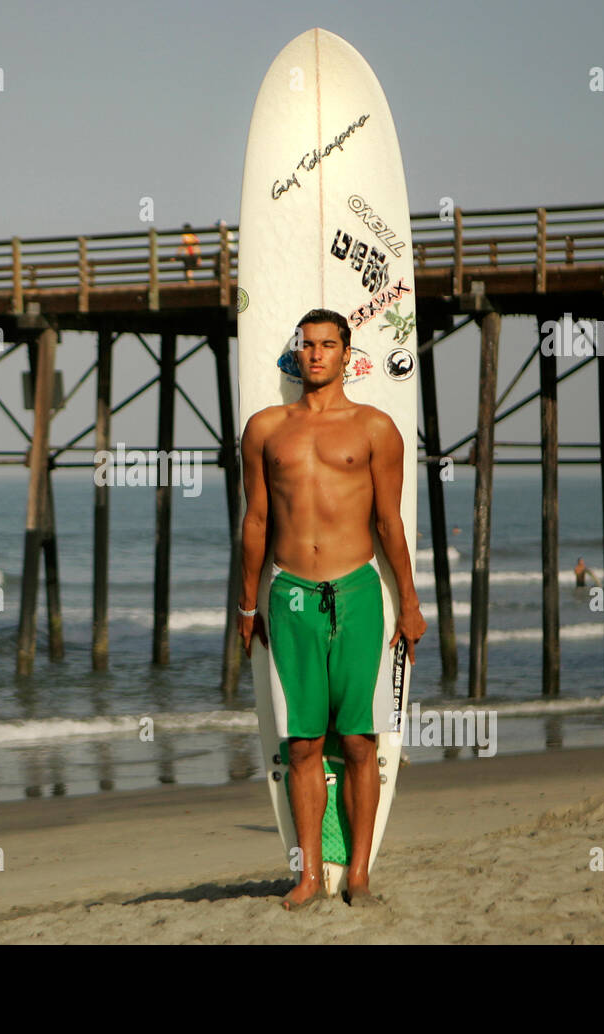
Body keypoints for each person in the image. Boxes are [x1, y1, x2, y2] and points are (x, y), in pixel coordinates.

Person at [238, 308, 425, 910]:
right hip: (289, 595)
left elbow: (389, 522)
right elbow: (257, 521)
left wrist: (411, 603)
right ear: (297, 355)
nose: (316, 355)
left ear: (348, 353)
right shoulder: (266, 429)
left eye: (328, 345)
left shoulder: (376, 428)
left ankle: (361, 875)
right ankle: (310, 876)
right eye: (307, 346)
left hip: (359, 595)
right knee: (302, 745)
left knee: (361, 740)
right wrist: (247, 606)